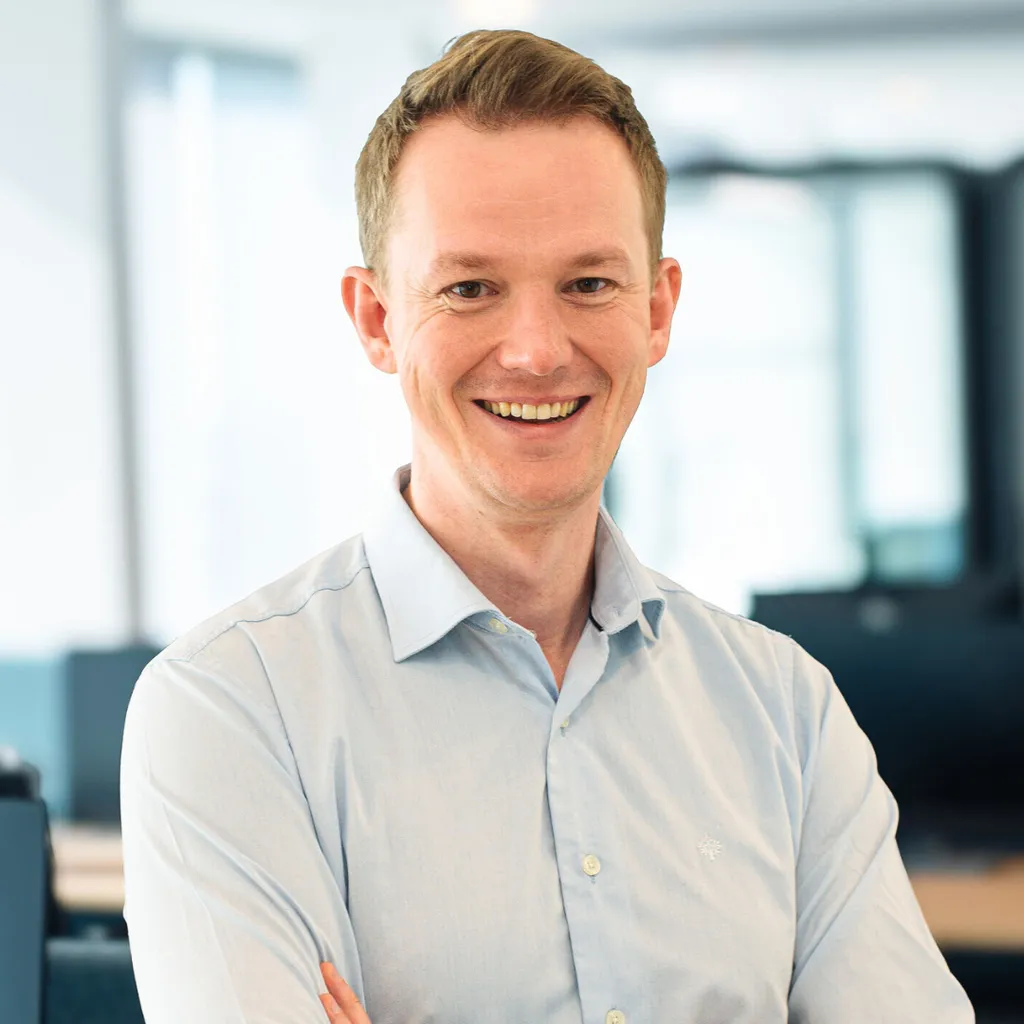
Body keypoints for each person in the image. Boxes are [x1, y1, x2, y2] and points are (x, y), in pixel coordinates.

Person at [119, 28, 974, 1024]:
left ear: (657, 310)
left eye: (589, 284)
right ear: (376, 320)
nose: (534, 350)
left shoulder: (786, 713)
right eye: (469, 288)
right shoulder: (231, 712)